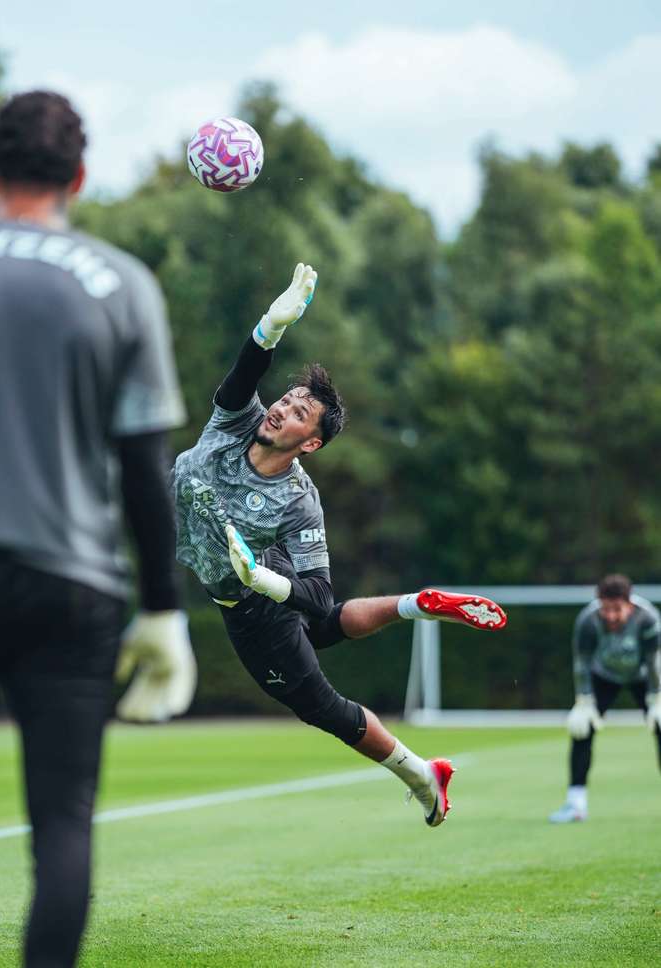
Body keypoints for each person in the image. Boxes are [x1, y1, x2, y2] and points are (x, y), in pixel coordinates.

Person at [0, 90, 194, 968]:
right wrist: (165, 609)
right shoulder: (124, 284)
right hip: (74, 589)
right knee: (60, 826)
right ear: (80, 177)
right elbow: (144, 468)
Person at [174, 262, 507, 830]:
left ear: (312, 443)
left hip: (257, 606)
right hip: (251, 577)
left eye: (299, 413)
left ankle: (422, 775)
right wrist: (272, 325)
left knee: (321, 706)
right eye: (286, 400)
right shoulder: (236, 421)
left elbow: (316, 589)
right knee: (324, 626)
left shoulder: (300, 499)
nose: (280, 408)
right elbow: (244, 372)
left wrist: (261, 581)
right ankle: (413, 604)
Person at [549, 574, 661, 823]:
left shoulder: (648, 619)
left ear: (629, 606)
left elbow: (655, 661)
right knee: (582, 729)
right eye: (606, 609)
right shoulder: (588, 621)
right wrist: (584, 700)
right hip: (604, 676)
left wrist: (657, 698)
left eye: (617, 610)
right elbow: (582, 663)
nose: (610, 616)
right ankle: (576, 804)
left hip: (642, 676)